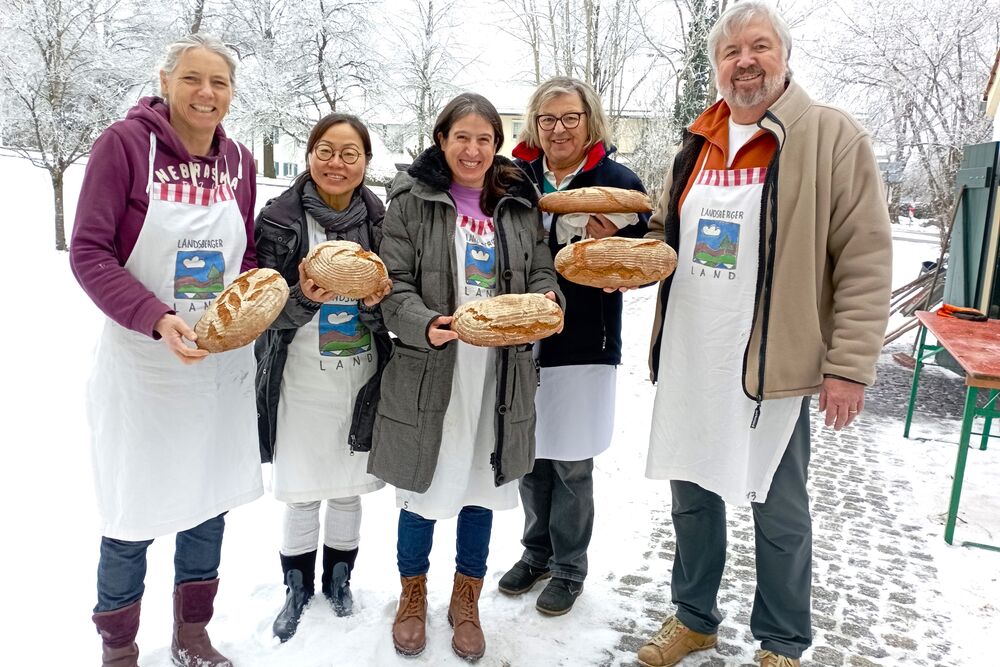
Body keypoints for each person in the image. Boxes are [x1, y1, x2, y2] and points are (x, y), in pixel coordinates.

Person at [637, 3, 892, 667]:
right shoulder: (698, 140)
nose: (744, 61)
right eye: (731, 52)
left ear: (783, 57)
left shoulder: (829, 136)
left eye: (759, 47)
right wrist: (627, 252)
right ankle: (693, 617)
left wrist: (850, 364)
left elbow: (863, 255)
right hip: (694, 353)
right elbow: (667, 231)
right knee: (691, 492)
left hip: (771, 360)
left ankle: (781, 640)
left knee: (778, 508)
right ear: (717, 66)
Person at [69, 34, 262, 667]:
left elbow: (246, 254)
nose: (206, 94)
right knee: (134, 508)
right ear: (166, 81)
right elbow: (90, 251)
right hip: (146, 365)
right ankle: (119, 647)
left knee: (207, 501)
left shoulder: (239, 161)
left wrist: (253, 304)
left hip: (217, 366)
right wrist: (155, 318)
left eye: (220, 83)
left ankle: (193, 632)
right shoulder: (123, 146)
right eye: (192, 79)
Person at [368, 92, 564, 661]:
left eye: (484, 139)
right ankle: (412, 595)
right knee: (422, 484)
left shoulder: (519, 202)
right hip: (432, 366)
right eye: (462, 138)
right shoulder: (411, 199)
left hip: (499, 373)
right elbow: (391, 281)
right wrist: (424, 324)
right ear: (442, 140)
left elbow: (542, 268)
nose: (473, 150)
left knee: (481, 487)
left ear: (496, 145)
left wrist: (547, 299)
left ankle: (466, 599)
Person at [497, 76, 649, 616]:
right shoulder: (514, 179)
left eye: (570, 118)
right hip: (521, 338)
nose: (559, 129)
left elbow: (648, 256)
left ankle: (569, 567)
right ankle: (535, 553)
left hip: (586, 339)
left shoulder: (617, 183)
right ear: (535, 124)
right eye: (548, 119)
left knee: (571, 464)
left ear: (590, 122)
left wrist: (617, 246)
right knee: (530, 456)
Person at [254, 113, 391, 641]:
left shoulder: (380, 222)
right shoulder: (280, 220)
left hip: (359, 371)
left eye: (350, 153)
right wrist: (303, 298)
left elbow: (391, 310)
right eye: (326, 151)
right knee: (303, 489)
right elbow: (264, 312)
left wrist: (378, 306)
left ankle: (339, 579)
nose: (337, 163)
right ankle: (296, 586)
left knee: (348, 488)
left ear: (365, 163)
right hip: (300, 375)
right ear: (309, 154)